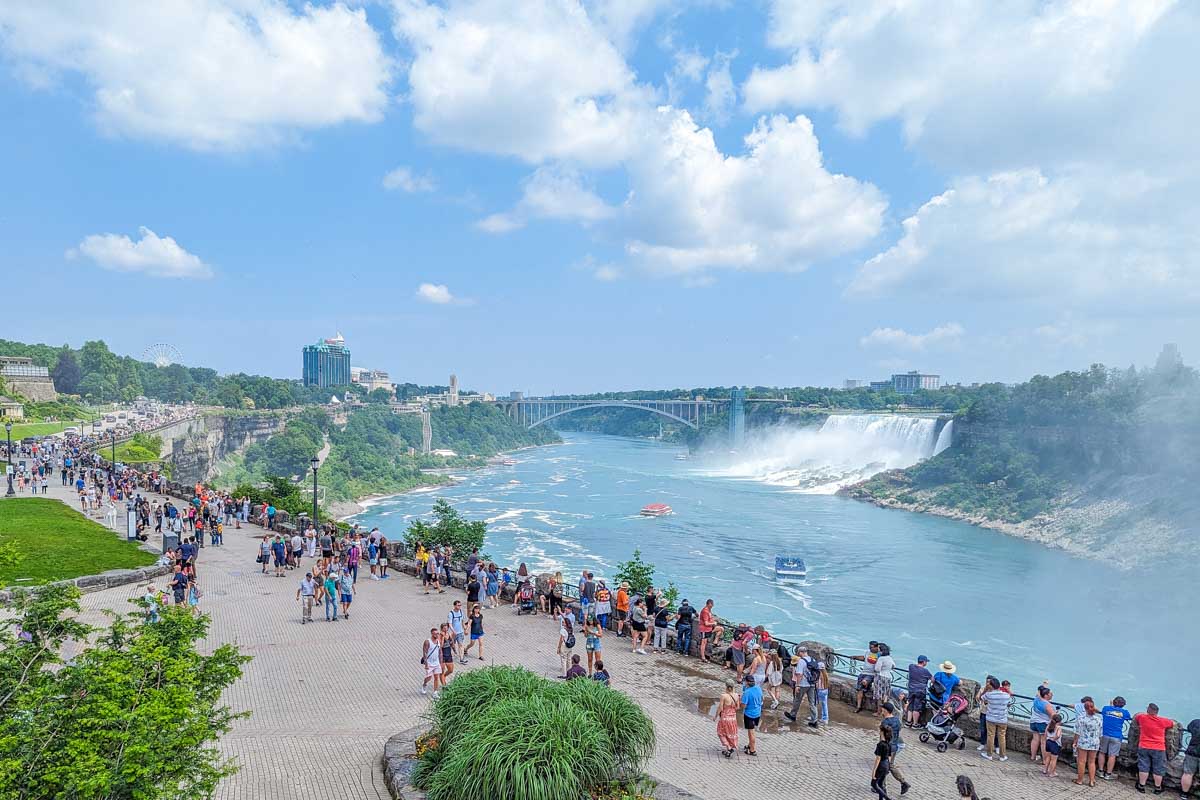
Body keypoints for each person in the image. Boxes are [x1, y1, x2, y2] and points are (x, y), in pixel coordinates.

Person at [1133, 702, 1175, 794]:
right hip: (1159, 747)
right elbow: (1173, 723)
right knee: (1158, 768)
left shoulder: (1142, 718)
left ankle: (1141, 786)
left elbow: (1136, 716)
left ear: (1148, 710)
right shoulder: (1163, 721)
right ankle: (1157, 788)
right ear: (1157, 712)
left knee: (1143, 766)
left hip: (1144, 745)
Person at [880, 702, 911, 795]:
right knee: (891, 766)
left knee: (883, 766)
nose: (881, 710)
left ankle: (882, 787)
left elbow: (882, 737)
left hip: (887, 747)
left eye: (882, 709)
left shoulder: (885, 722)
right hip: (894, 747)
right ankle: (903, 783)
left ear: (885, 710)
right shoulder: (897, 720)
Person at [785, 645, 819, 726]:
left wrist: (797, 685)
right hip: (812, 683)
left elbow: (799, 674)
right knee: (812, 702)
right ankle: (814, 720)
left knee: (798, 700)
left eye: (798, 653)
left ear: (801, 652)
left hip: (803, 684)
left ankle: (793, 715)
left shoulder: (801, 661)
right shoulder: (813, 659)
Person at [1099, 696, 1131, 780]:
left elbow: (1104, 712)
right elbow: (1128, 717)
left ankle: (1100, 771)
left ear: (1113, 702)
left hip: (1105, 734)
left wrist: (1111, 705)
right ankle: (1108, 774)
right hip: (1116, 736)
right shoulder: (1124, 712)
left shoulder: (1106, 708)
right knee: (1112, 755)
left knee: (1102, 752)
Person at [979, 677, 1010, 761]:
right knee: (1002, 737)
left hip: (991, 718)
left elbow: (981, 698)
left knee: (990, 736)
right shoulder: (1006, 695)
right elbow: (1009, 699)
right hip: (1002, 719)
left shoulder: (989, 695)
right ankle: (1002, 756)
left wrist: (985, 689)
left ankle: (989, 755)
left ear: (991, 686)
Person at [1073, 696, 1102, 786]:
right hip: (1094, 742)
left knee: (1082, 761)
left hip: (1083, 741)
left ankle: (1080, 780)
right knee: (1092, 762)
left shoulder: (1081, 718)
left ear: (1084, 708)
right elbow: (1100, 732)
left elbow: (1077, 732)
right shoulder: (1098, 719)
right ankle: (1092, 781)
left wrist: (1075, 741)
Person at [853, 641, 881, 713]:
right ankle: (858, 706)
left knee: (864, 682)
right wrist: (855, 657)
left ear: (876, 647)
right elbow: (863, 658)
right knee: (859, 690)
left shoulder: (880, 655)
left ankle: (867, 685)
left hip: (871, 674)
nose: (870, 649)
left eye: (871, 647)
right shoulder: (867, 652)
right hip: (863, 673)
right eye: (869, 647)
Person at [1029, 684, 1054, 764]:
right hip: (1043, 723)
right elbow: (1053, 716)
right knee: (1043, 742)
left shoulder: (1036, 699)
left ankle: (1033, 757)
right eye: (1050, 693)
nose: (1052, 695)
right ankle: (1044, 761)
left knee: (1035, 739)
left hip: (1033, 722)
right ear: (1046, 695)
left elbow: (1039, 692)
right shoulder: (1047, 705)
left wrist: (1044, 684)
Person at [905, 656, 932, 728]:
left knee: (910, 705)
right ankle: (915, 724)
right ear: (924, 662)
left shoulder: (911, 667)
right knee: (917, 708)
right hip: (920, 691)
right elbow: (932, 679)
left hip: (911, 689)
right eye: (926, 662)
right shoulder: (925, 671)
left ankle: (908, 722)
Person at [740, 674, 762, 756]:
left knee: (751, 732)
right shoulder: (758, 688)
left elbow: (743, 706)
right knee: (752, 730)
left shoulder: (747, 692)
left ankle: (752, 750)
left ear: (747, 682)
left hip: (749, 714)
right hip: (758, 712)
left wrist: (740, 701)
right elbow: (762, 698)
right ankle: (750, 745)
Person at [716, 679, 740, 758]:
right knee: (730, 733)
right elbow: (738, 707)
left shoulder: (724, 696)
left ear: (726, 686)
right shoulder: (736, 695)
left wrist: (715, 716)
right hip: (733, 718)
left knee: (721, 733)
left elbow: (720, 708)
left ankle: (729, 748)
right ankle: (730, 747)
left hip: (725, 718)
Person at [871, 724, 894, 800]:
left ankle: (887, 798)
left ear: (882, 732)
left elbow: (878, 758)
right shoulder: (889, 744)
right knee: (881, 784)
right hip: (886, 764)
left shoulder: (880, 745)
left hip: (881, 765)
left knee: (874, 784)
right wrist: (888, 767)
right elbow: (890, 757)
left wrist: (874, 771)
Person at [872, 643, 896, 716]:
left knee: (879, 696)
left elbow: (877, 669)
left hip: (880, 676)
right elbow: (894, 666)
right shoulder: (889, 658)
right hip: (888, 677)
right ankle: (884, 712)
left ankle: (878, 712)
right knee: (885, 695)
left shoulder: (881, 658)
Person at [1181, 718, 1200, 800]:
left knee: (1188, 774)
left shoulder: (1196, 722)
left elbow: (1189, 728)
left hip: (1192, 752)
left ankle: (1184, 794)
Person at [421, 628, 442, 696]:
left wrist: (441, 662)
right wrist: (426, 664)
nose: (437, 635)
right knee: (429, 677)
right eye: (435, 634)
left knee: (436, 677)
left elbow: (440, 651)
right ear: (432, 634)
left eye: (437, 633)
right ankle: (424, 684)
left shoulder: (438, 641)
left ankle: (435, 692)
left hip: (436, 662)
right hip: (429, 663)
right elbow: (425, 653)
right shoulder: (427, 642)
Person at [1043, 713, 1064, 778]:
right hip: (1055, 744)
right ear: (1060, 721)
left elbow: (1045, 733)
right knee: (1054, 759)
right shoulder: (1059, 727)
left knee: (1048, 757)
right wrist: (1054, 739)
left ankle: (1045, 770)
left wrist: (1047, 739)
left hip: (1048, 742)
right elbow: (1058, 735)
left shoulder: (1049, 725)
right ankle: (1052, 773)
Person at [558, 609, 576, 677]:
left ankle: (564, 674)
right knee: (569, 659)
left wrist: (559, 647)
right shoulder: (571, 629)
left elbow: (561, 640)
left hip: (564, 645)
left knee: (563, 660)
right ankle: (569, 673)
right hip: (570, 646)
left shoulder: (563, 630)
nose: (562, 622)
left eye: (563, 622)